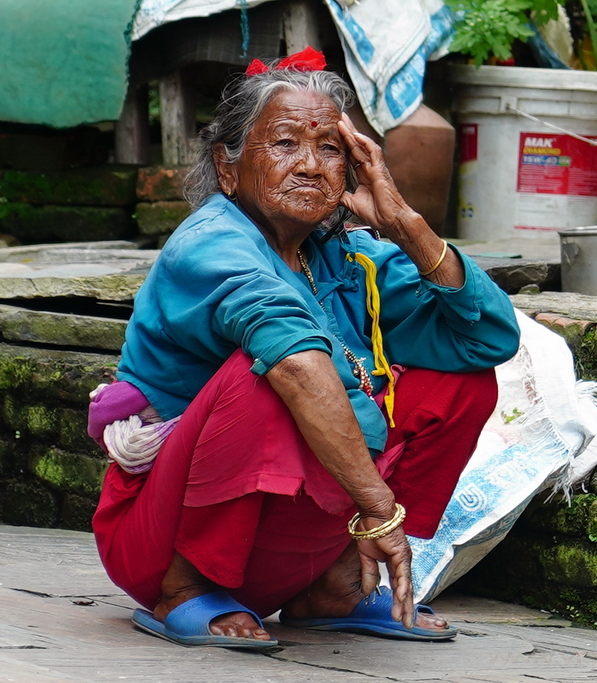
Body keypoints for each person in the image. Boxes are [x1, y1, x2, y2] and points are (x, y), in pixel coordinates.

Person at [89, 47, 520, 650]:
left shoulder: (348, 256)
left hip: (294, 534)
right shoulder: (212, 246)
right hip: (162, 536)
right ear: (230, 167)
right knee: (266, 373)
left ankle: (335, 586)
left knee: (460, 380)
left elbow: (486, 339)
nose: (311, 166)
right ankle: (184, 591)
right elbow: (294, 362)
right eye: (286, 144)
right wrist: (378, 508)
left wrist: (404, 224)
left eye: (331, 149)